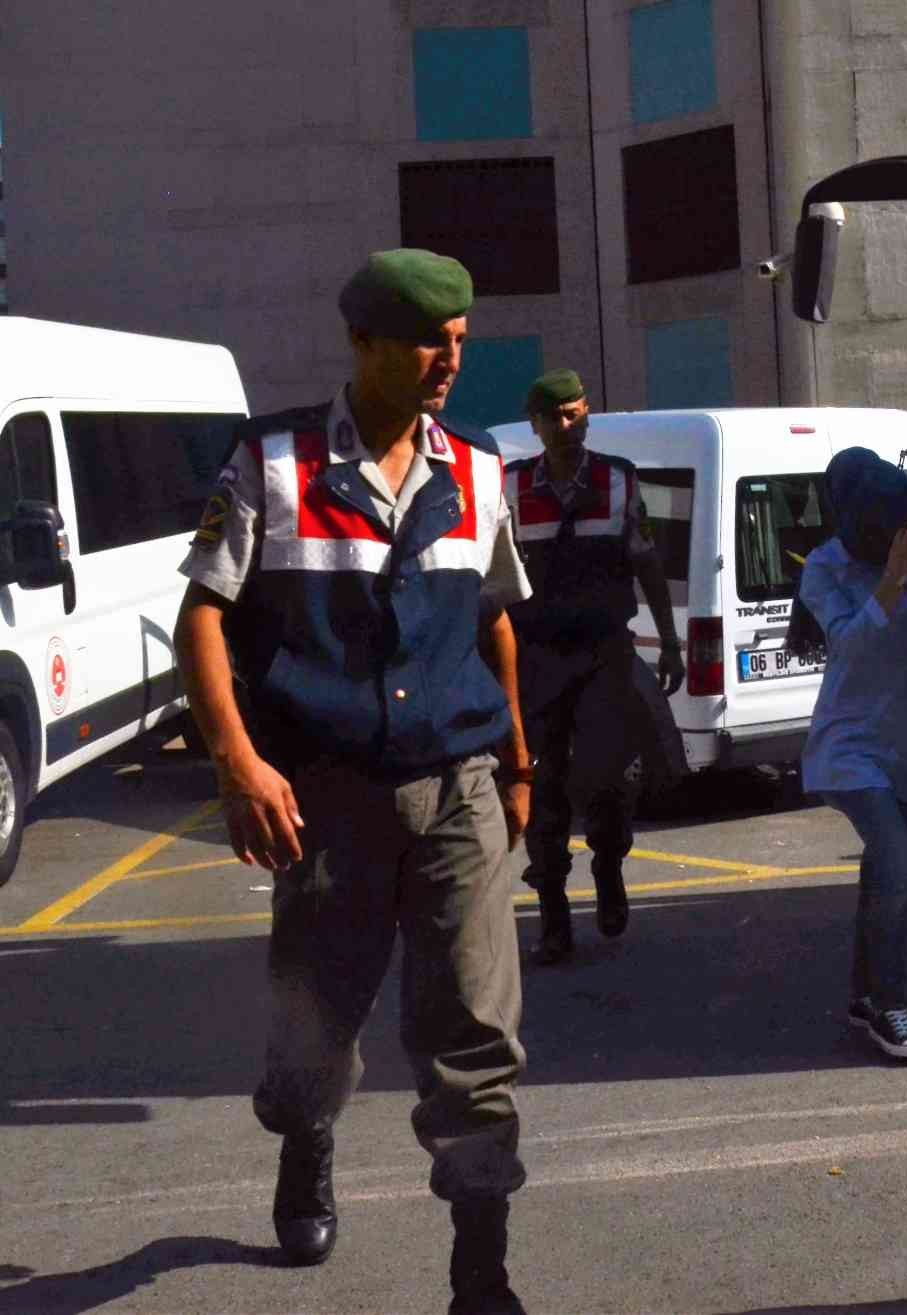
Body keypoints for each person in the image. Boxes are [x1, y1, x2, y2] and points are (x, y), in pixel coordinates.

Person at [174, 249, 534, 1315]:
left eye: (459, 340)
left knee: (476, 1035)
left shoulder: (478, 467)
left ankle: (482, 1274)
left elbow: (495, 622)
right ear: (363, 341)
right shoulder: (272, 461)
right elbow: (202, 615)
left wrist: (519, 764)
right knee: (311, 1044)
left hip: (457, 785)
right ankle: (308, 1137)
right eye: (427, 341)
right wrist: (238, 762)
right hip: (327, 800)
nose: (449, 360)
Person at [504, 368, 685, 966]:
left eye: (576, 414)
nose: (568, 426)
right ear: (535, 424)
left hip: (604, 653)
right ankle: (553, 915)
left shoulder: (617, 478)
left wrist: (670, 640)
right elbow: (490, 578)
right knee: (544, 786)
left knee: (607, 778)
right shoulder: (510, 485)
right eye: (556, 417)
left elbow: (647, 562)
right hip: (538, 659)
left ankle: (609, 867)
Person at [795, 447, 907, 1062]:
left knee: (882, 873)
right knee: (897, 860)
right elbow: (850, 647)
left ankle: (864, 995)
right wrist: (892, 581)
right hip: (852, 741)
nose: (898, 539)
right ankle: (892, 1004)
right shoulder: (824, 567)